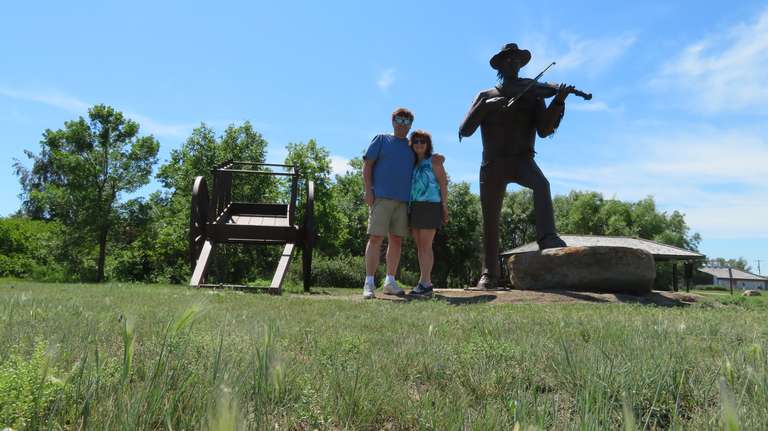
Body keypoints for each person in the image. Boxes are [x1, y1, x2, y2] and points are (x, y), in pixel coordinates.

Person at [459, 43, 572, 290]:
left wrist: (558, 102)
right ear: (499, 65)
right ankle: (489, 273)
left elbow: (544, 130)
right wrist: (488, 107)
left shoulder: (532, 92)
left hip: (523, 161)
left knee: (542, 185)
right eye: (508, 60)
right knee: (490, 219)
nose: (513, 64)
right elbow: (464, 130)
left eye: (517, 61)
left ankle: (547, 237)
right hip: (493, 165)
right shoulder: (485, 96)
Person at [362, 108, 444, 299]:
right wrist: (368, 190)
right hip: (381, 197)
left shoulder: (410, 146)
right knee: (375, 238)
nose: (402, 124)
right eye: (399, 120)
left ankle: (390, 281)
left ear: (410, 125)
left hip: (404, 202)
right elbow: (367, 165)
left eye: (407, 122)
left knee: (396, 240)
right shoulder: (381, 139)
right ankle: (369, 283)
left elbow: (426, 158)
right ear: (392, 120)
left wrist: (438, 158)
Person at [407, 130, 448, 297]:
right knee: (420, 246)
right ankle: (424, 282)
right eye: (416, 141)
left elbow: (443, 184)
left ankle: (425, 283)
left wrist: (444, 206)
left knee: (426, 245)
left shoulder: (435, 161)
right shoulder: (412, 163)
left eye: (422, 141)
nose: (419, 144)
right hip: (414, 206)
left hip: (431, 205)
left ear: (428, 144)